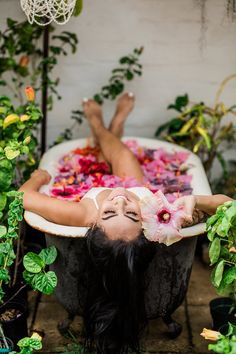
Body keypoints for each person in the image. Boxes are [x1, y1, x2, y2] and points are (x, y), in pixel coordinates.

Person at [20, 93, 232, 354]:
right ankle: (113, 129)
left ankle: (97, 124)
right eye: (132, 214)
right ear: (148, 228)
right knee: (120, 154)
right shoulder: (157, 216)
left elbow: (25, 197)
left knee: (112, 152)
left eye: (109, 213)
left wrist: (38, 177)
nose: (119, 200)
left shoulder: (83, 214)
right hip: (136, 182)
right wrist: (195, 200)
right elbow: (228, 207)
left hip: (93, 188)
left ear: (95, 225)